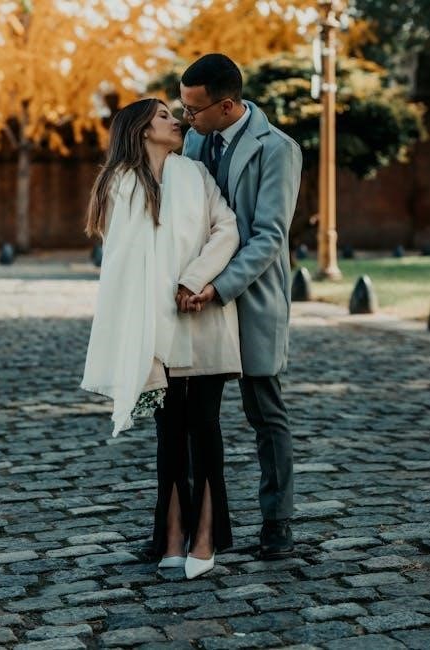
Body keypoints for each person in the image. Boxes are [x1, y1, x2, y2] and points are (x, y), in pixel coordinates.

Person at [81, 98, 242, 579]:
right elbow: (124, 263)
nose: (177, 121)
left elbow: (227, 228)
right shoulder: (118, 184)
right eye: (165, 117)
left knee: (205, 427)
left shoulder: (195, 174)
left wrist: (194, 280)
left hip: (203, 314)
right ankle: (171, 536)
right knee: (169, 431)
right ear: (142, 130)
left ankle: (206, 538)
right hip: (152, 322)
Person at [180, 53, 302, 559]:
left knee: (265, 412)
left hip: (250, 297)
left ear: (227, 106)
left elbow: (269, 236)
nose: (186, 117)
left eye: (194, 109)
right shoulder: (194, 142)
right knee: (197, 418)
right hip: (199, 300)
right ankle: (202, 527)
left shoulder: (279, 150)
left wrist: (219, 286)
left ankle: (278, 521)